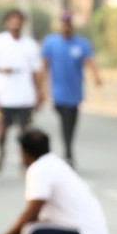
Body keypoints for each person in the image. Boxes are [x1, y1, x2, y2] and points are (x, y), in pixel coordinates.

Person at [41, 12, 100, 167]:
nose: (66, 27)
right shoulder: (51, 43)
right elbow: (44, 66)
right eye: (63, 24)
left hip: (75, 93)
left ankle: (68, 150)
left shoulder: (81, 44)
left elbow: (90, 61)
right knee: (65, 121)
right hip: (58, 93)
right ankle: (68, 152)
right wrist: (41, 88)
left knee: (71, 123)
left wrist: (96, 76)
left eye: (68, 24)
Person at [0, 8, 44, 172]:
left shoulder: (31, 45)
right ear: (6, 23)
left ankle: (25, 159)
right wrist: (0, 71)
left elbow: (37, 71)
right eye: (12, 20)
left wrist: (39, 93)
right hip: (4, 96)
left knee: (25, 131)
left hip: (24, 97)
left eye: (18, 20)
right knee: (2, 131)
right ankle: (1, 151)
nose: (15, 23)